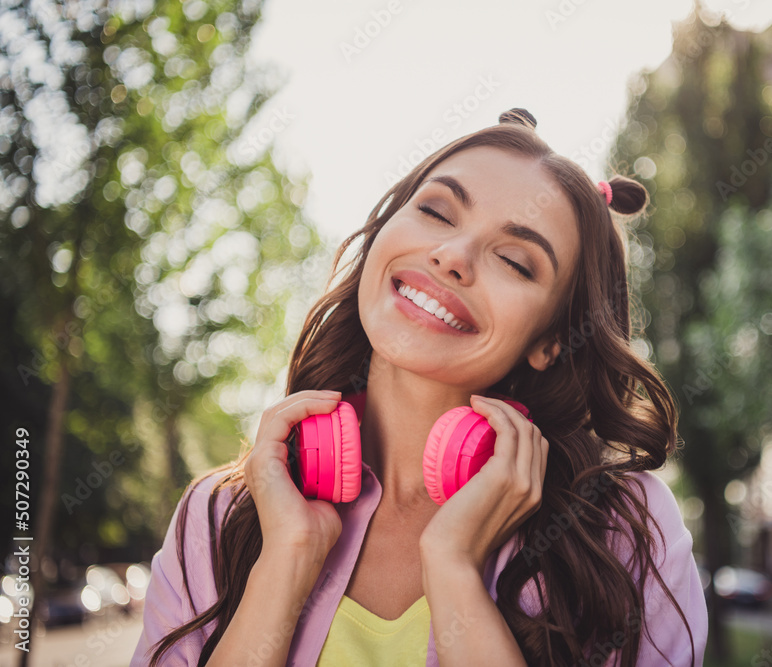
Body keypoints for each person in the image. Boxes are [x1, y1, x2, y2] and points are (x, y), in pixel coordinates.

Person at [130, 108, 708, 667]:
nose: (452, 256)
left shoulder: (625, 534)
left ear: (551, 339)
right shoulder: (221, 515)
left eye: (514, 259)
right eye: (436, 211)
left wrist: (456, 572)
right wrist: (286, 561)